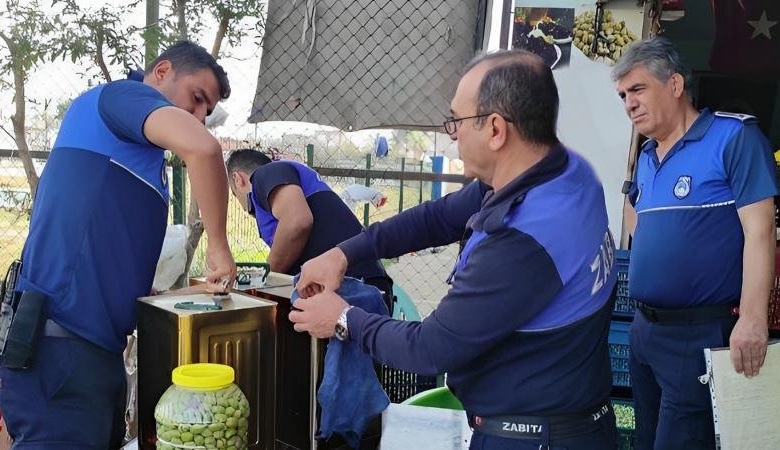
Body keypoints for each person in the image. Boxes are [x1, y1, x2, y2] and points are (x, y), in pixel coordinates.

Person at [290, 50, 619, 450]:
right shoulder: (566, 173)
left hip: (533, 437)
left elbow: (430, 348)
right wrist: (343, 253)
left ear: (496, 129)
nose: (452, 134)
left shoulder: (523, 238)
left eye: (456, 122)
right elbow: (439, 217)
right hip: (569, 420)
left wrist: (343, 318)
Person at [0, 40, 238, 449]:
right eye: (196, 99)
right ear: (161, 72)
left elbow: (119, 280)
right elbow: (205, 148)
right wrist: (219, 246)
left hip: (93, 356)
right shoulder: (118, 98)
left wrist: (187, 292)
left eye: (206, 113)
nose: (198, 117)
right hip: (59, 353)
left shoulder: (138, 163)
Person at [612, 37, 777, 450]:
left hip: (697, 330)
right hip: (645, 332)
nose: (629, 103)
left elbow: (760, 232)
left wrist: (753, 319)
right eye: (622, 95)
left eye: (638, 89)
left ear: (674, 84)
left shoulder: (733, 138)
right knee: (650, 440)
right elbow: (636, 220)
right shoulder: (648, 157)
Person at [225, 148, 394, 310]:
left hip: (354, 287)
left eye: (235, 194)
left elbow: (297, 221)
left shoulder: (265, 174)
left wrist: (266, 278)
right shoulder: (289, 180)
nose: (244, 209)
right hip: (365, 284)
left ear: (238, 179)